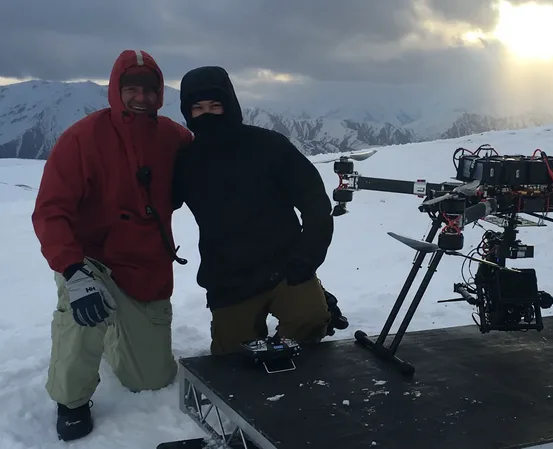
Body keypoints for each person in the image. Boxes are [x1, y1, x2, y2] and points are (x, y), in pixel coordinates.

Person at [31, 49, 193, 442]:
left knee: (152, 379)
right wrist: (72, 270)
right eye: (132, 89)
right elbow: (51, 212)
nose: (141, 97)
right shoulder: (82, 140)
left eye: (149, 90)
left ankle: (118, 335)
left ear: (159, 95)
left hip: (146, 265)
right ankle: (71, 400)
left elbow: (211, 181)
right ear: (116, 92)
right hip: (91, 261)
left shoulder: (175, 139)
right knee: (83, 315)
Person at [172, 65, 347, 355]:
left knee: (309, 320)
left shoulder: (269, 147)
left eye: (215, 105)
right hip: (228, 277)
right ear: (187, 113)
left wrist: (308, 257)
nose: (207, 114)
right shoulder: (185, 163)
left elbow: (315, 201)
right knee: (232, 358)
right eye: (198, 107)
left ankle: (316, 303)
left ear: (229, 104)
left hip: (285, 266)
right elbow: (153, 203)